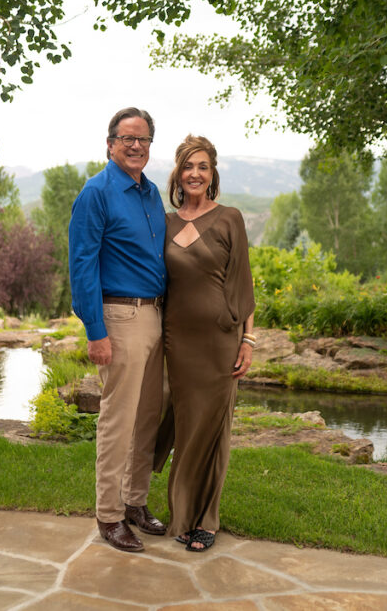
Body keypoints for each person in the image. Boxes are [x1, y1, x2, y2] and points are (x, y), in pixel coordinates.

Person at [68, 107, 168, 553]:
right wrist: (95, 330)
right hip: (119, 318)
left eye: (143, 139)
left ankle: (135, 503)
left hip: (156, 316)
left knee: (147, 417)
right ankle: (108, 515)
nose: (135, 146)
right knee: (118, 420)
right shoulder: (97, 192)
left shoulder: (149, 194)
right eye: (127, 138)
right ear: (109, 143)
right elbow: (82, 264)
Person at [161, 134, 255, 552]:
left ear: (212, 173)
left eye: (203, 166)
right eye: (188, 166)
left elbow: (244, 283)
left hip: (220, 340)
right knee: (186, 426)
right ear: (178, 174)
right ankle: (182, 515)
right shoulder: (164, 222)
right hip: (177, 342)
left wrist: (248, 339)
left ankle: (207, 520)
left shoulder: (230, 217)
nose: (195, 173)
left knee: (213, 429)